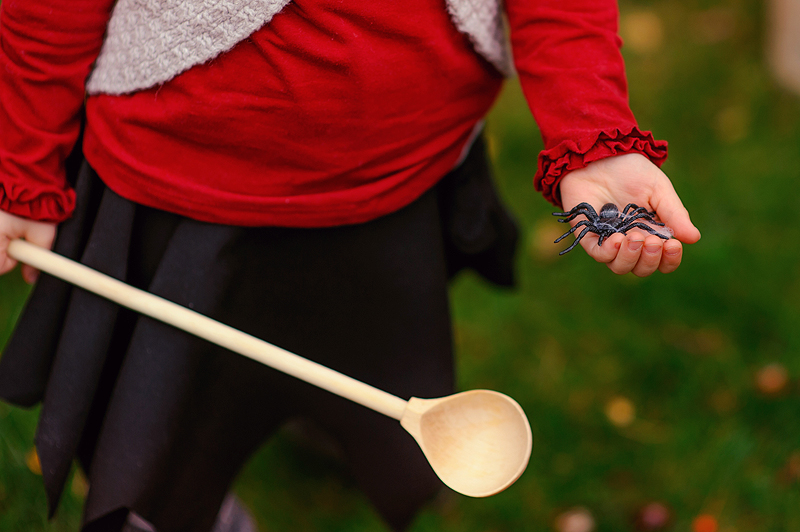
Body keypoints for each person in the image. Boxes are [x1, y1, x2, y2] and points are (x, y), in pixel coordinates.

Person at [0, 0, 702, 531]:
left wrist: (592, 131)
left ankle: (329, 426)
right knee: (165, 440)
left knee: (364, 366)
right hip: (180, 188)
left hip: (399, 178)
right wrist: (23, 162)